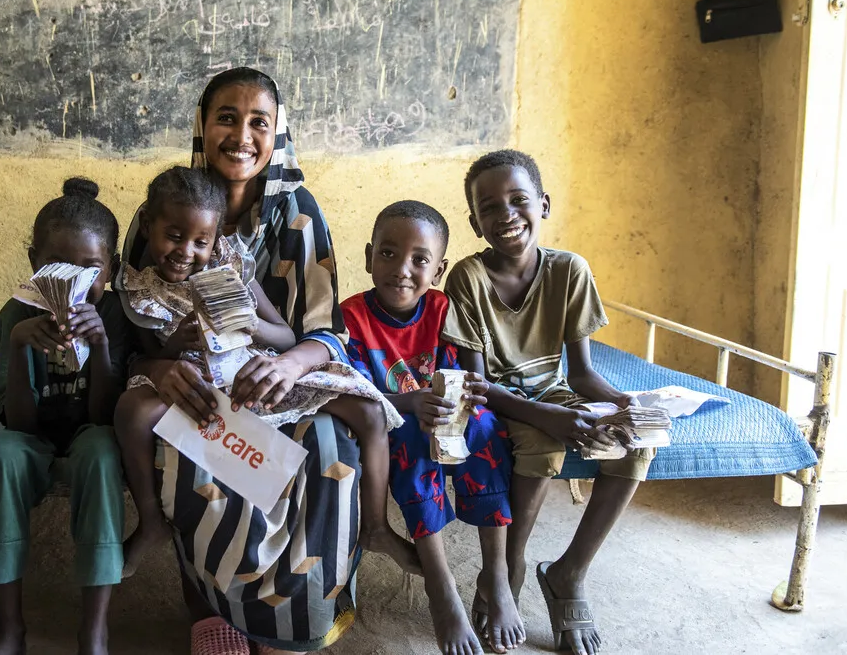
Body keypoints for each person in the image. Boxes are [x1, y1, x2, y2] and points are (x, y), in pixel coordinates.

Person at [117, 68, 417, 654]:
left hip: (282, 375)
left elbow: (326, 333)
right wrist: (160, 369)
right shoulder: (158, 212)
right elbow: (129, 333)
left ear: (278, 132)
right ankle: (212, 611)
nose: (242, 134)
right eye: (226, 117)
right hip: (195, 380)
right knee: (193, 459)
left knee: (331, 455)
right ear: (203, 127)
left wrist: (286, 367)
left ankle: (293, 619)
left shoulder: (300, 216)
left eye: (260, 122)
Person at [114, 165, 411, 579]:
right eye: (174, 236)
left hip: (253, 374)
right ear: (148, 226)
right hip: (194, 388)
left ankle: (377, 527)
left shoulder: (231, 267)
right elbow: (147, 356)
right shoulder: (140, 288)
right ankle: (150, 523)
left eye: (201, 241)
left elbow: (287, 337)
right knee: (131, 409)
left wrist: (249, 322)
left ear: (217, 239)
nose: (186, 251)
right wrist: (177, 344)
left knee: (369, 411)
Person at [442, 150, 653, 655]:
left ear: (544, 204)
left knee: (636, 444)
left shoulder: (570, 271)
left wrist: (627, 403)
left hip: (553, 391)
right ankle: (508, 572)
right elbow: (476, 386)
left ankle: (569, 573)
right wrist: (550, 417)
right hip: (494, 400)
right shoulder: (467, 279)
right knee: (540, 445)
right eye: (489, 207)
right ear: (475, 222)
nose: (506, 215)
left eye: (519, 201)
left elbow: (580, 374)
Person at [341, 200, 524, 655]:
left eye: (420, 260)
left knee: (484, 427)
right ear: (368, 256)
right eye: (388, 253)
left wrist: (447, 407)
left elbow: (461, 376)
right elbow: (356, 395)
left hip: (446, 417)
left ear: (438, 270)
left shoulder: (443, 310)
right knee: (408, 440)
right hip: (394, 425)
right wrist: (408, 403)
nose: (402, 269)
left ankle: (496, 574)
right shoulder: (351, 318)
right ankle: (440, 585)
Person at [0, 178, 130, 655]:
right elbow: (18, 424)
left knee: (104, 453)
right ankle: (9, 628)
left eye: (90, 269)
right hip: (33, 435)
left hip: (90, 430)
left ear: (113, 269)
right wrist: (22, 342)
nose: (74, 282)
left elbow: (106, 416)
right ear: (33, 264)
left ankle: (94, 629)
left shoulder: (117, 314)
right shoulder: (15, 316)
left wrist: (101, 343)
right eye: (56, 267)